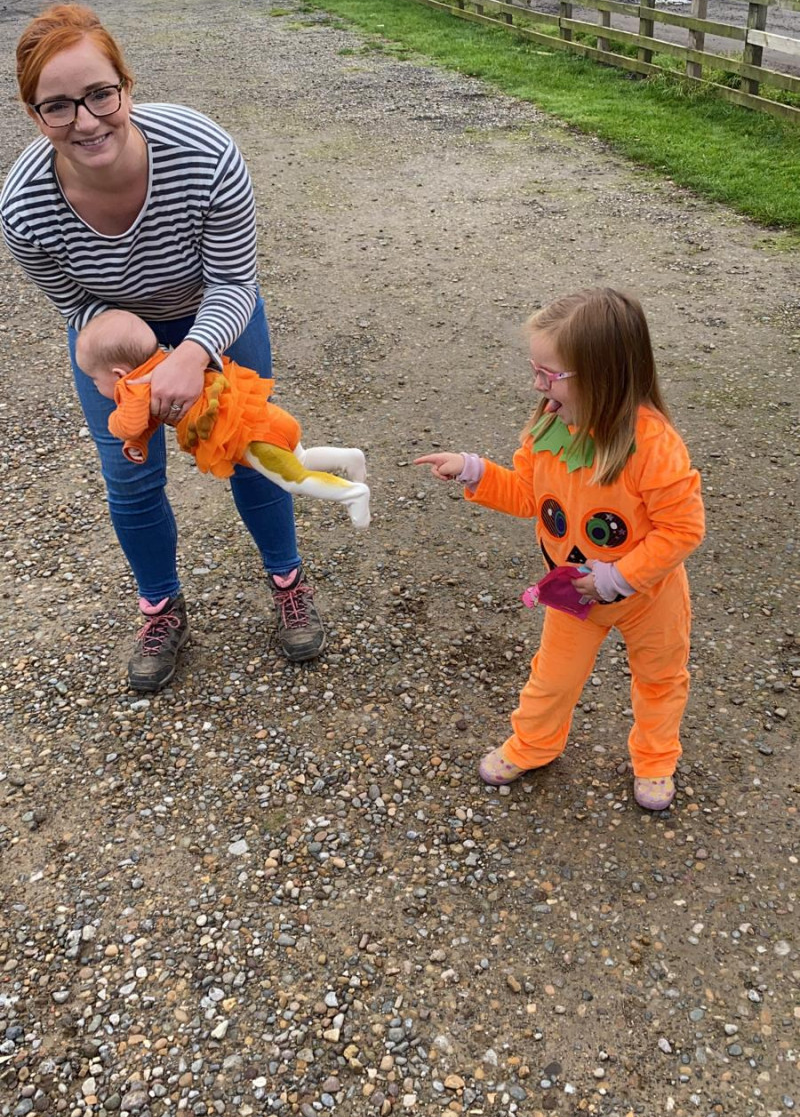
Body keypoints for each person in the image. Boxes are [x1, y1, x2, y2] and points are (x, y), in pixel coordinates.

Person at [1, 3, 328, 692]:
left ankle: (288, 582)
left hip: (218, 313)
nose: (85, 121)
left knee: (255, 455)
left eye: (99, 95)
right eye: (57, 107)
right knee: (131, 481)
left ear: (126, 85)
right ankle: (161, 607)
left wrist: (194, 353)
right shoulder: (24, 210)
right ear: (33, 116)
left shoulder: (204, 152)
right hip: (116, 340)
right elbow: (78, 306)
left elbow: (236, 279)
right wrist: (132, 360)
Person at [415, 288, 705, 812]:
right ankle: (534, 744)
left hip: (650, 598)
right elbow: (530, 496)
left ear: (606, 375)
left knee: (660, 681)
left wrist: (616, 579)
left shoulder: (654, 447)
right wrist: (474, 470)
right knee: (550, 679)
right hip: (574, 596)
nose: (537, 385)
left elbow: (682, 530)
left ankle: (656, 759)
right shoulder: (549, 425)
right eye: (536, 369)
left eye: (550, 374)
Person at [75, 308, 371, 526]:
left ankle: (353, 494)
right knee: (301, 458)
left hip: (249, 437)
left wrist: (119, 421)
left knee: (293, 479)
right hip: (262, 414)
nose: (94, 386)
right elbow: (148, 422)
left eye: (93, 380)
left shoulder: (132, 388)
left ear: (118, 374)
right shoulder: (166, 362)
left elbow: (128, 423)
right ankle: (349, 458)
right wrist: (137, 444)